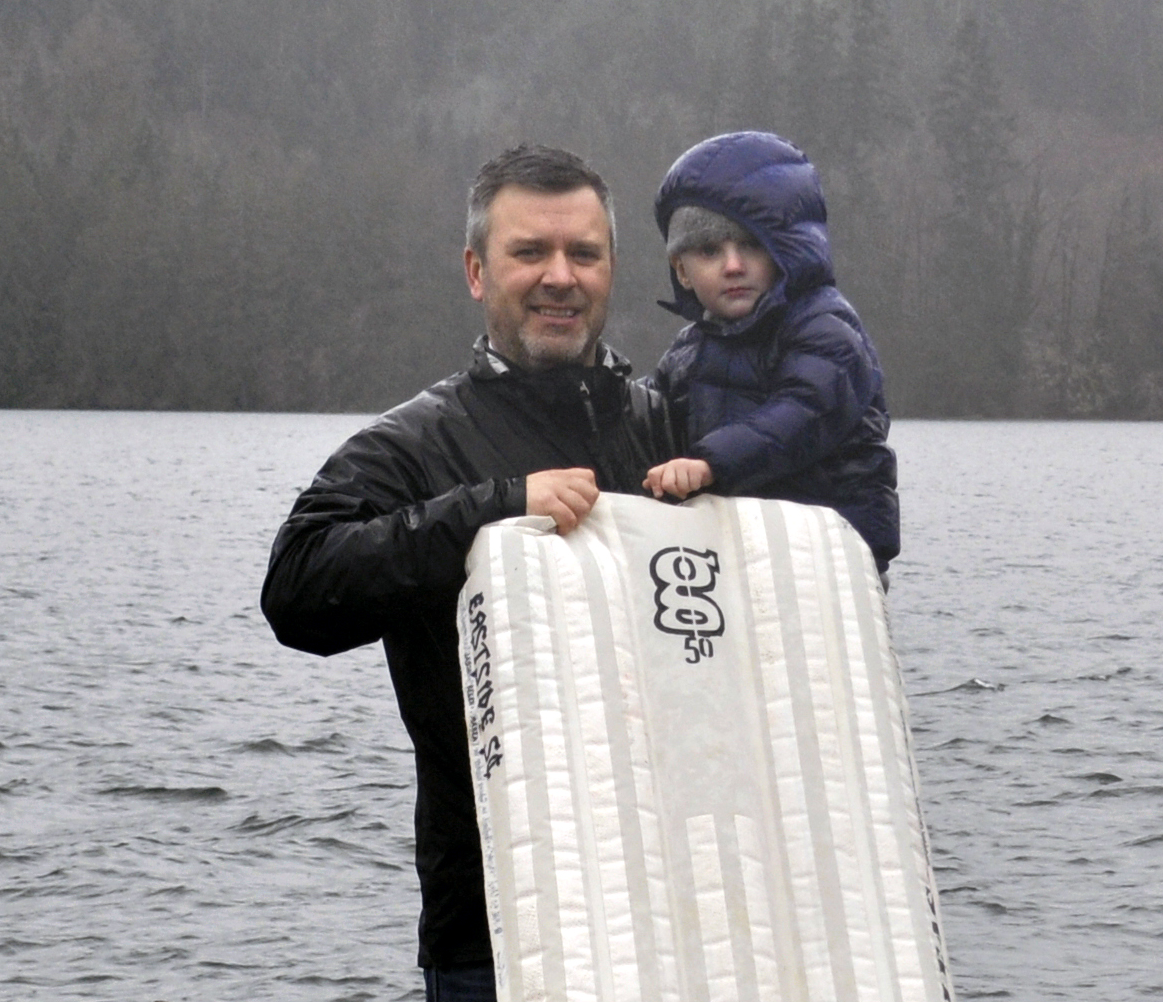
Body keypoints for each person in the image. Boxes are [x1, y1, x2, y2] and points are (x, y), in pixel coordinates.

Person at [261, 145, 673, 1001]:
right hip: (493, 932)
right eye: (531, 253)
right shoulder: (414, 444)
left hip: (677, 911)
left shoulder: (668, 427)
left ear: (611, 271)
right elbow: (296, 586)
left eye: (584, 255)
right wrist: (492, 511)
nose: (560, 276)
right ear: (477, 271)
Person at [641, 130, 900, 571]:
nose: (733, 265)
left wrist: (709, 463)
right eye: (709, 250)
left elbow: (803, 412)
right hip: (736, 559)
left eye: (752, 244)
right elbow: (644, 419)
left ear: (787, 250)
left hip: (832, 558)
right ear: (681, 271)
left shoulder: (824, 327)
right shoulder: (687, 352)